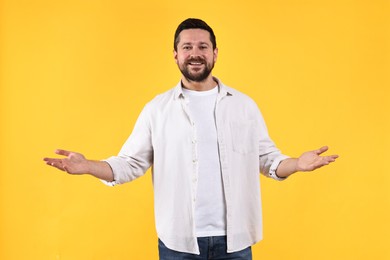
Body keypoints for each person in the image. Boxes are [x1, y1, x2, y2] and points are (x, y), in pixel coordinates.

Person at [43, 18, 338, 260]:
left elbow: (268, 161)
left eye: (202, 46)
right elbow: (129, 163)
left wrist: (297, 163)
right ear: (175, 55)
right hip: (179, 243)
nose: (195, 53)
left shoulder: (243, 106)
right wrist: (88, 166)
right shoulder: (157, 109)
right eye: (187, 47)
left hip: (235, 242)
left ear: (215, 53)